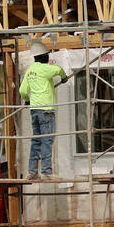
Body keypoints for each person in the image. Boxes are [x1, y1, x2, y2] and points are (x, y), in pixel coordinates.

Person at [18, 40, 73, 181]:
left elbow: (23, 90)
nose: (48, 58)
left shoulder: (30, 71)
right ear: (43, 57)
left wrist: (28, 99)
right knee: (47, 140)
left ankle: (32, 171)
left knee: (36, 141)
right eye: (47, 56)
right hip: (46, 110)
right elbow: (59, 69)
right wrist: (64, 78)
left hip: (34, 110)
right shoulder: (45, 68)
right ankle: (47, 172)